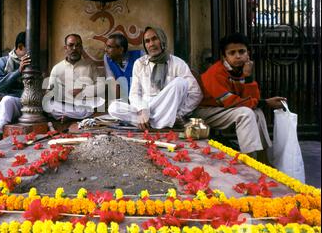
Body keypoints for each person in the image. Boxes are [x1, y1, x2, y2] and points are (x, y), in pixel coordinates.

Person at [194, 32, 286, 163]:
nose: (237, 56)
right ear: (224, 57)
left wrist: (248, 77)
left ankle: (263, 159)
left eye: (241, 51)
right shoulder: (215, 72)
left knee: (257, 112)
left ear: (248, 53)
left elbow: (252, 99)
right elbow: (231, 102)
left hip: (225, 109)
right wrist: (265, 103)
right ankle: (249, 162)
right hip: (205, 112)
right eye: (232, 53)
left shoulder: (243, 70)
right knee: (246, 113)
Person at [108, 26, 203, 130]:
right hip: (146, 109)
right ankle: (158, 122)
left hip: (168, 108)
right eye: (147, 41)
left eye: (154, 39)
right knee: (113, 108)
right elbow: (134, 94)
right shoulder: (139, 64)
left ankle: (158, 121)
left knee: (180, 83)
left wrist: (179, 113)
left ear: (162, 40)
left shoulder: (177, 63)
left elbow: (196, 93)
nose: (151, 44)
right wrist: (142, 109)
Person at [43, 33, 105, 121]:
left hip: (85, 103)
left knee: (92, 106)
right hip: (64, 104)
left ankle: (67, 116)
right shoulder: (57, 68)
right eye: (71, 45)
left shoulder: (90, 65)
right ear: (66, 48)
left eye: (78, 45)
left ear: (81, 48)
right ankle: (72, 116)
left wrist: (83, 91)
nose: (74, 49)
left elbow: (101, 86)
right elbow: (49, 91)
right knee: (48, 105)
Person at [103, 33, 141, 100]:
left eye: (109, 47)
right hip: (123, 100)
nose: (105, 49)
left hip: (139, 98)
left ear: (120, 50)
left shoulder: (139, 56)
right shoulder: (107, 58)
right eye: (106, 46)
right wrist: (117, 101)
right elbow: (110, 78)